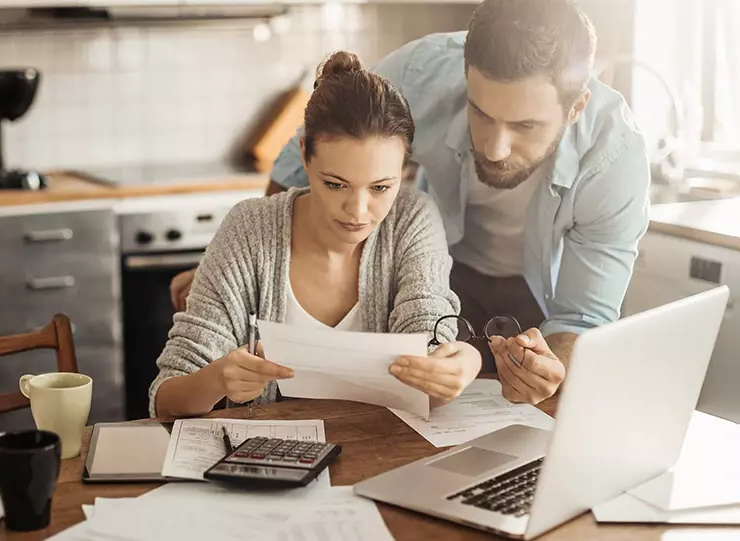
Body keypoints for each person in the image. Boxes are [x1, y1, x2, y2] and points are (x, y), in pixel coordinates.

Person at [171, 0, 650, 406]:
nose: (494, 148)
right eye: (481, 114)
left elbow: (582, 319)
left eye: (525, 127)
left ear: (575, 107)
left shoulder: (614, 160)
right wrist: (242, 263)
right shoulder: (418, 74)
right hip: (432, 266)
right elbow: (301, 166)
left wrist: (552, 371)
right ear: (465, 75)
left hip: (534, 299)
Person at [150, 51, 482, 419]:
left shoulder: (412, 219)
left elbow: (428, 346)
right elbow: (167, 399)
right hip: (267, 463)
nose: (357, 211)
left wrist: (458, 364)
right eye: (336, 184)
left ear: (404, 170)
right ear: (306, 156)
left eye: (380, 188)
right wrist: (215, 381)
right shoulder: (249, 228)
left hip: (381, 455)